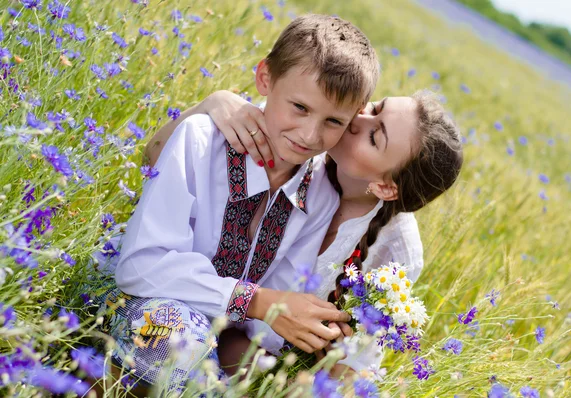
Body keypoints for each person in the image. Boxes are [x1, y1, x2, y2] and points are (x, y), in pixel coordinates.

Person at [91, 14, 380, 393]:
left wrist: (299, 326)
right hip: (130, 302)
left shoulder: (321, 196)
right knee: (177, 340)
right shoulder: (201, 140)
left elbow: (273, 309)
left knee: (260, 373)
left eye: (333, 122)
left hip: (215, 332)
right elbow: (141, 267)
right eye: (299, 107)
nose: (310, 135)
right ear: (265, 78)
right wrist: (256, 300)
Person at [144, 89, 463, 377]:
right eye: (376, 107)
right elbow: (153, 160)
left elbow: (353, 365)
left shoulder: (395, 252)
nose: (358, 119)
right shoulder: (302, 140)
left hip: (251, 357)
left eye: (374, 137)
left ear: (384, 186)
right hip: (177, 298)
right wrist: (211, 104)